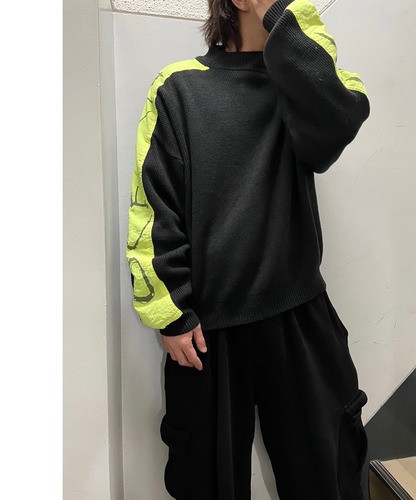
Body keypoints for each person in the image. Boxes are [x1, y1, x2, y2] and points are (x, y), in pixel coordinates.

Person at [126, 0, 370, 498]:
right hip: (206, 332)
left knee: (329, 475)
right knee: (206, 481)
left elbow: (341, 115)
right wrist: (170, 312)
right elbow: (152, 205)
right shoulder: (178, 86)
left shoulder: (306, 86)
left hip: (300, 316)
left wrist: (280, 15)